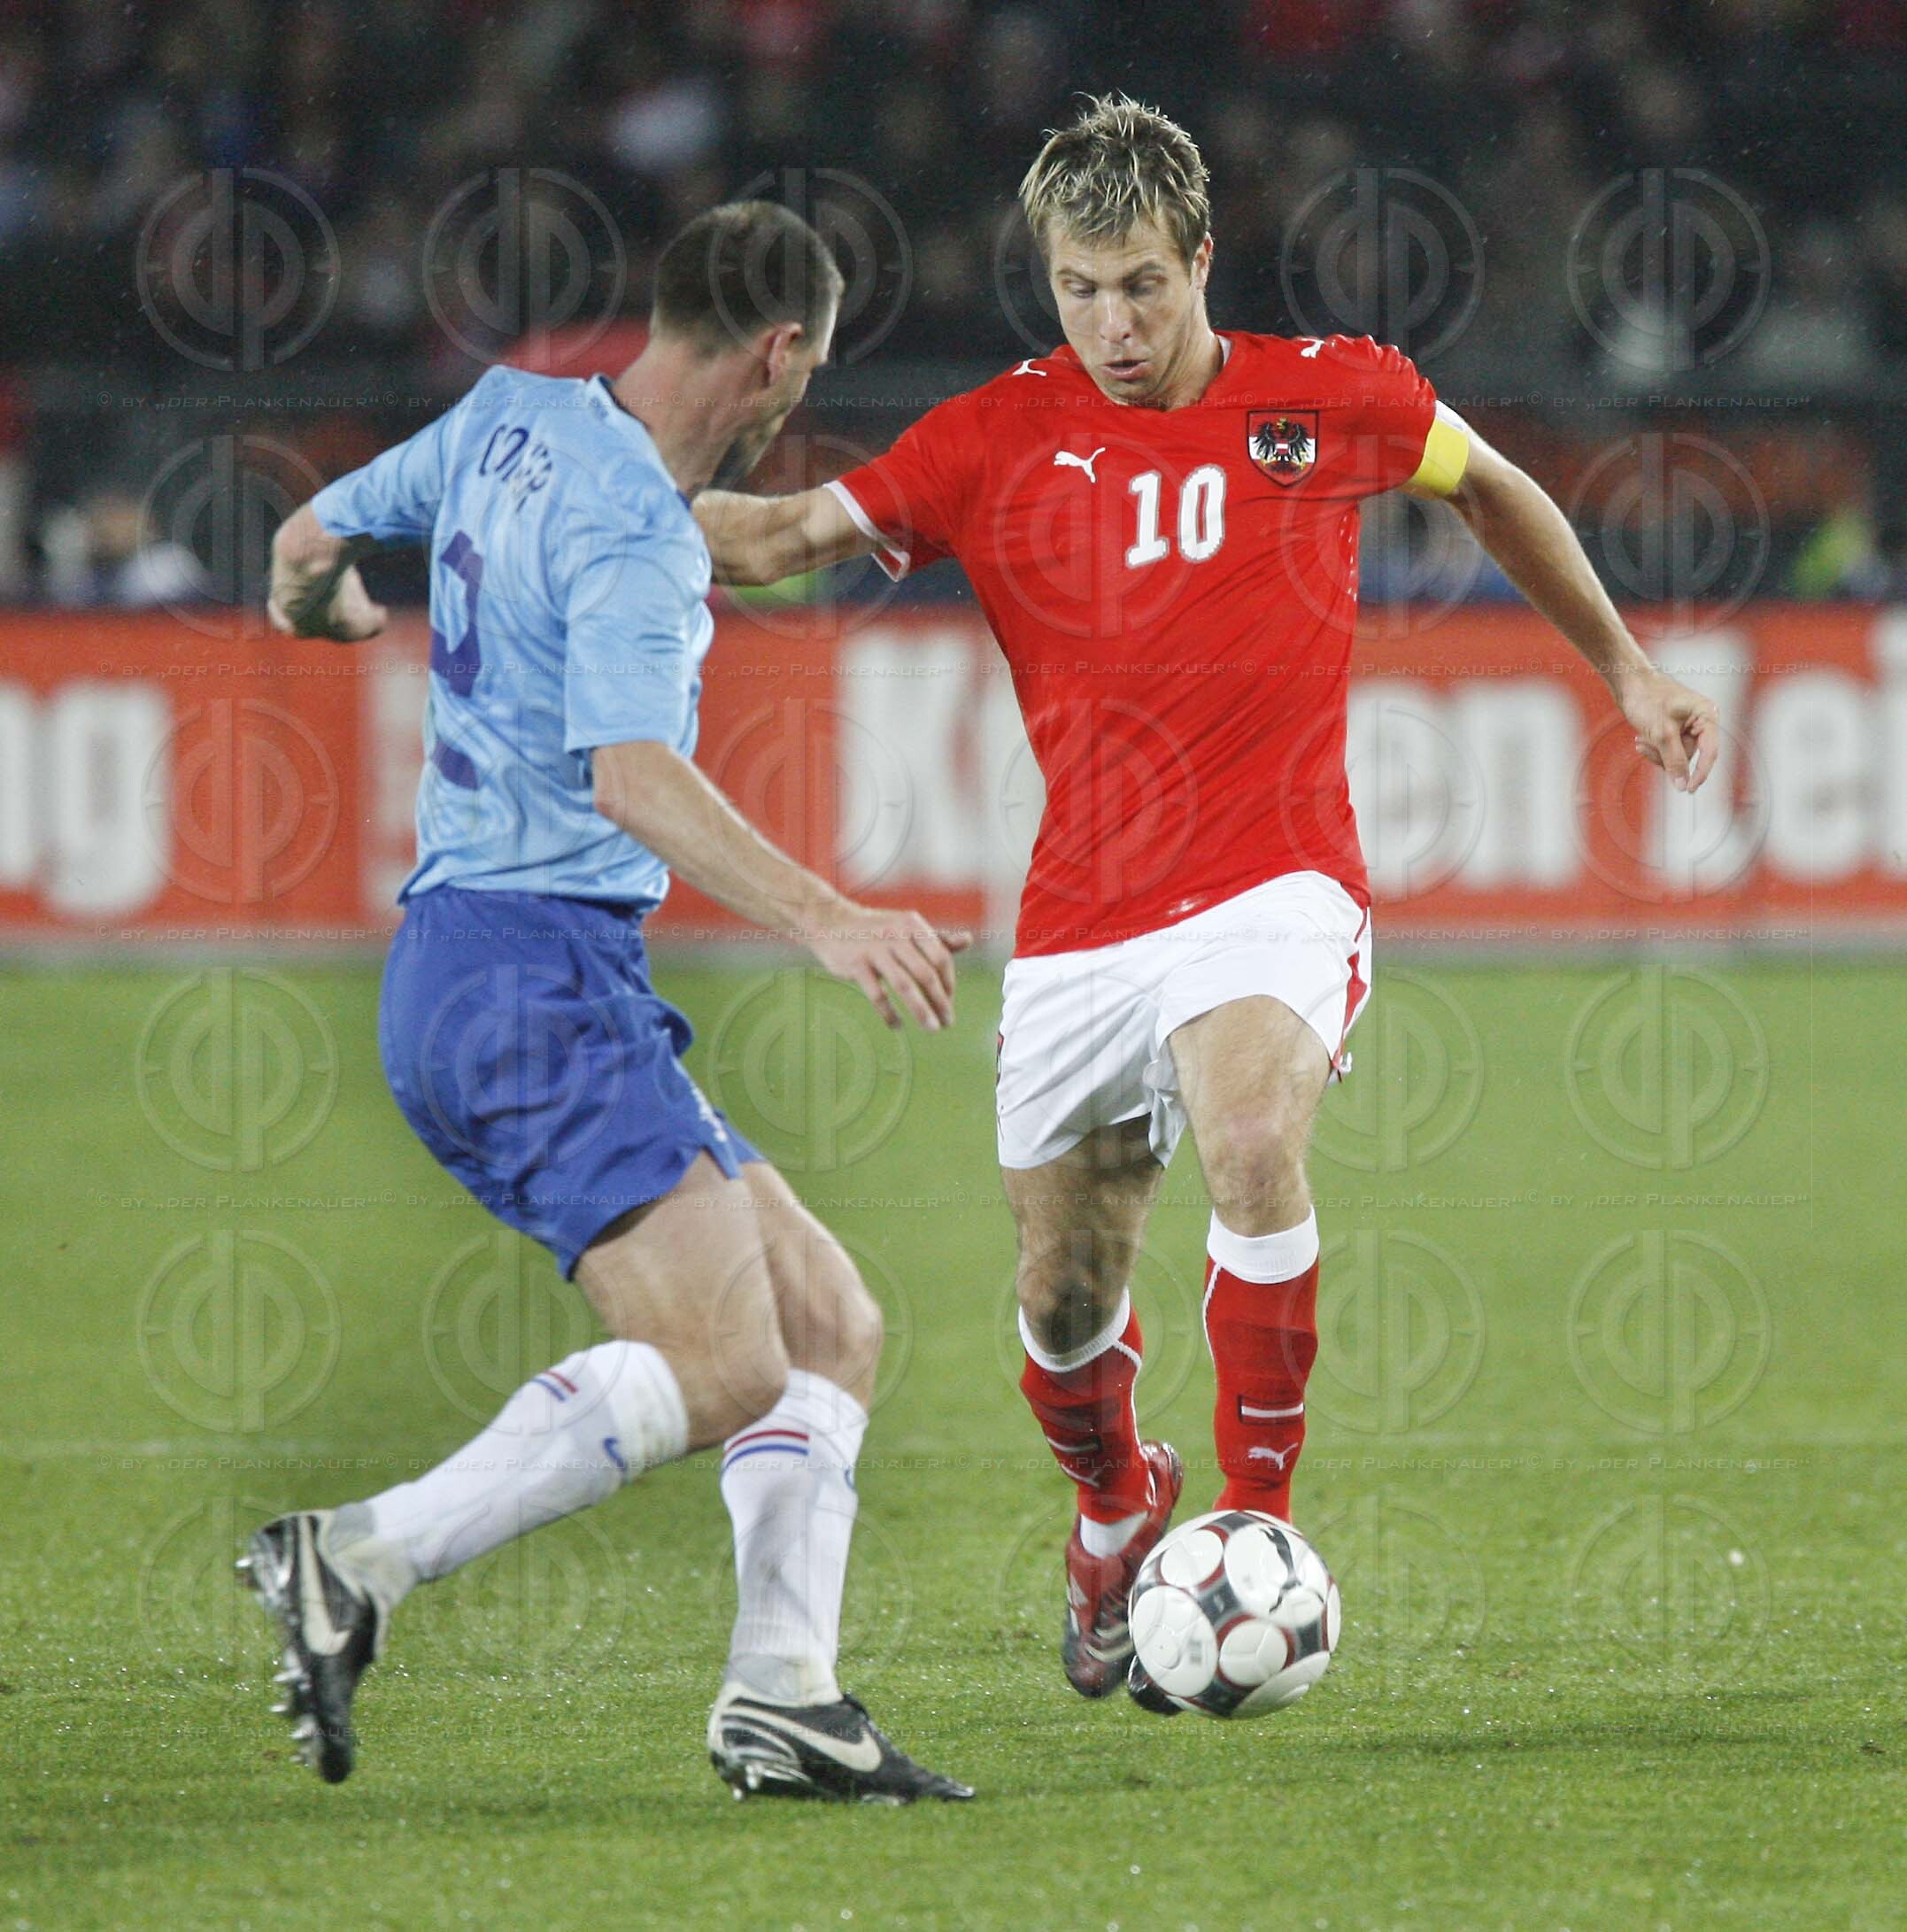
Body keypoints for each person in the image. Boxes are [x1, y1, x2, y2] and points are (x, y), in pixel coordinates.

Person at [691, 97, 1721, 1707]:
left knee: (1250, 1138)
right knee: (1059, 1304)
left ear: (1200, 264)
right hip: (1082, 922)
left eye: (1142, 287)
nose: (1110, 324)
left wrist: (1626, 664)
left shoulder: (1329, 398)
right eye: (1079, 287)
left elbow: (1495, 485)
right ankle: (1118, 1506)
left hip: (1272, 876)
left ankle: (1258, 1522)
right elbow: (779, 537)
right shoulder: (989, 436)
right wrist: (595, 511)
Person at [250, 199, 972, 1802]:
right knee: (720, 1366)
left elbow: (306, 548)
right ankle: (357, 1559)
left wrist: (334, 616)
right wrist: (831, 915)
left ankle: (783, 1695)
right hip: (533, 975)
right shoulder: (643, 538)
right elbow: (633, 770)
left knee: (825, 1328)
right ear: (779, 353)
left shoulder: (509, 410)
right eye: (808, 374)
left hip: (488, 969)